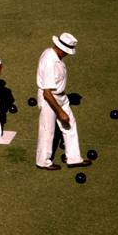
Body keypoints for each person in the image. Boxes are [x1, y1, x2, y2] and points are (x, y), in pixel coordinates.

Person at [35, 32, 92, 170]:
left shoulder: (52, 53)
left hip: (60, 96)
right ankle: (43, 161)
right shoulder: (50, 62)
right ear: (60, 48)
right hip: (50, 98)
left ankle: (73, 158)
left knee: (70, 123)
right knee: (47, 130)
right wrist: (60, 112)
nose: (67, 54)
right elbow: (47, 93)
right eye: (66, 51)